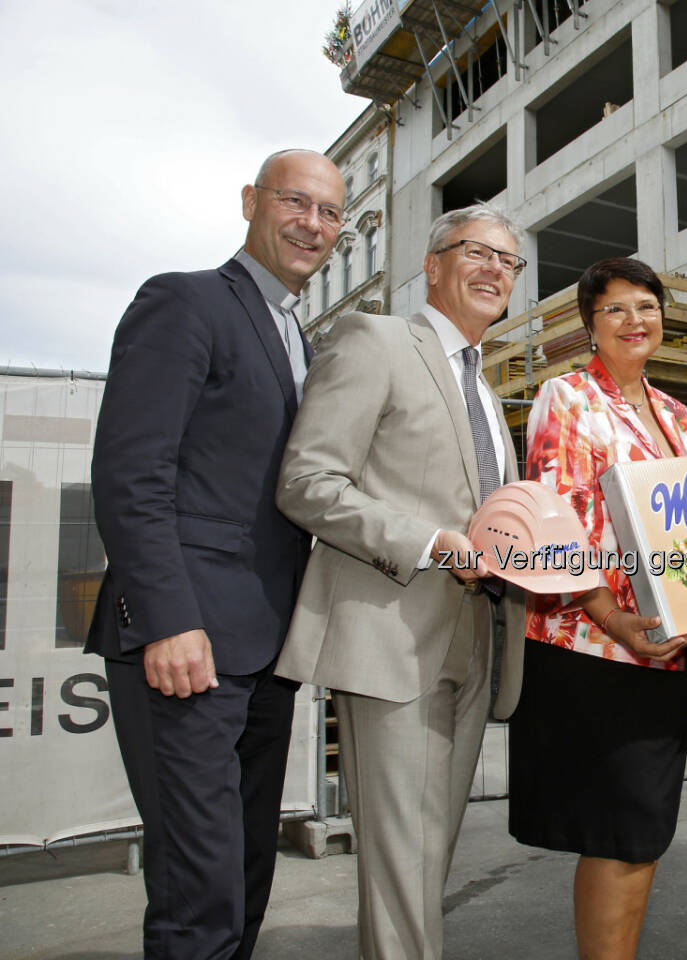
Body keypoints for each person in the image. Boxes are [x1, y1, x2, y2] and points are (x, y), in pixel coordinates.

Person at [87, 148, 344, 958]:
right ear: (250, 201)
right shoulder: (186, 301)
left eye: (331, 213)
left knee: (244, 880)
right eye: (295, 202)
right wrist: (167, 620)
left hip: (266, 655)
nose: (313, 224)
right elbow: (132, 473)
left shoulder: (300, 336)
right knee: (198, 893)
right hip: (186, 645)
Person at [273, 203, 528, 960]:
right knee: (401, 870)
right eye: (474, 252)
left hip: (476, 638)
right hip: (392, 639)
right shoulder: (376, 340)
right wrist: (428, 542)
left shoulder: (487, 387)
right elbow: (308, 481)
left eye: (507, 261)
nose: (492, 270)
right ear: (433, 265)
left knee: (427, 861)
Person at [507, 257, 687, 960]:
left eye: (647, 306)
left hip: (667, 651)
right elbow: (557, 521)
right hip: (599, 649)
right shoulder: (568, 396)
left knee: (644, 833)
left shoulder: (675, 412)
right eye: (617, 310)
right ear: (590, 326)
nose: (636, 320)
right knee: (618, 833)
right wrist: (612, 616)